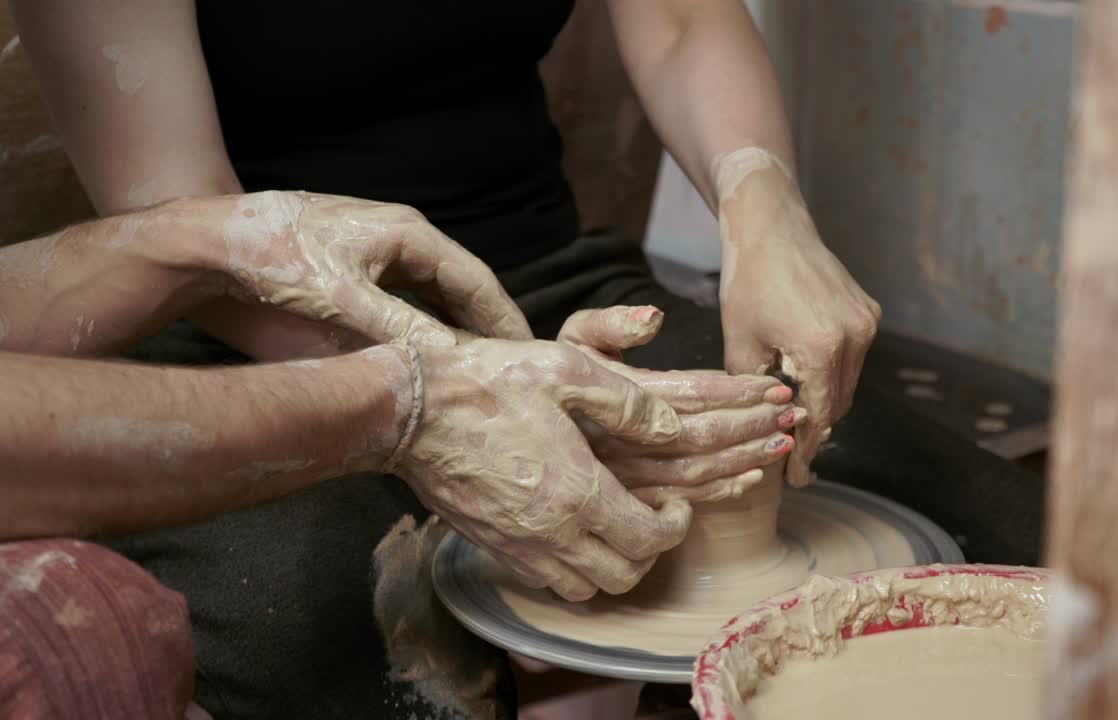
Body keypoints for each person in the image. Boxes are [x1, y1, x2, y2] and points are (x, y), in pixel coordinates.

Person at [12, 0, 879, 715]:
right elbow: (183, 221)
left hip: (537, 270)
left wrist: (763, 206)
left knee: (905, 505)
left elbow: (683, 21)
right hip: (255, 313)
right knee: (297, 646)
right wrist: (447, 393)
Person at [0, 194, 796, 717]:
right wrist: (411, 403)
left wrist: (208, 239)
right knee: (134, 635)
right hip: (243, 355)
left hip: (493, 275)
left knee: (900, 464)